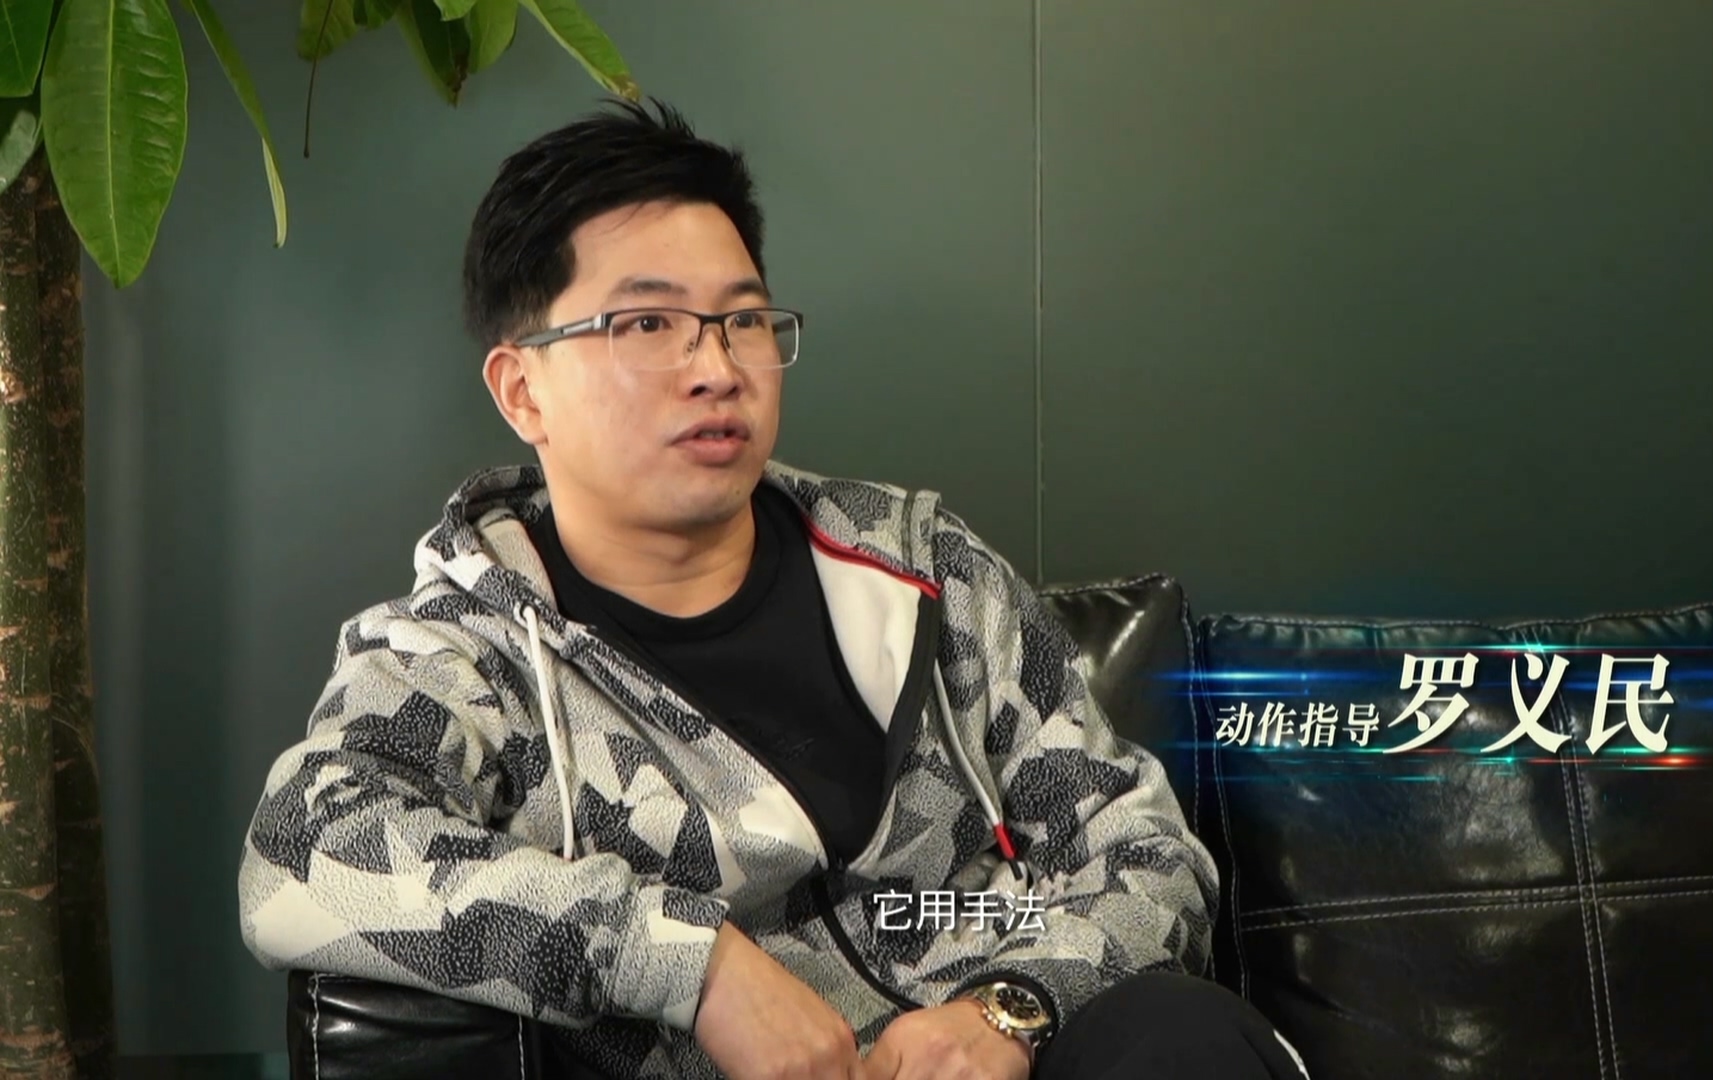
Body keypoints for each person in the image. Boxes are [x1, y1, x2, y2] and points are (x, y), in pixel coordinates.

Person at [237, 98, 1309, 1080]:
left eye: (743, 320)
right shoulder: (460, 651)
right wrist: (694, 965)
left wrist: (1009, 1009)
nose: (718, 367)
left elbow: (1146, 854)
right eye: (647, 325)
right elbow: (299, 851)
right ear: (523, 389)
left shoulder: (927, 571)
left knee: (1187, 1034)